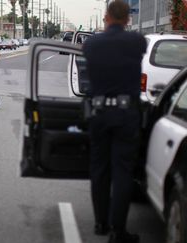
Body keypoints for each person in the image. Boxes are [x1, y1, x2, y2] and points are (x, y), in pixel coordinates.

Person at [83, 1, 147, 243]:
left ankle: (100, 223)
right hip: (125, 114)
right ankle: (117, 231)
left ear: (106, 17)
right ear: (128, 19)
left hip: (98, 113)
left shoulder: (91, 44)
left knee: (99, 170)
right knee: (122, 172)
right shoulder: (137, 41)